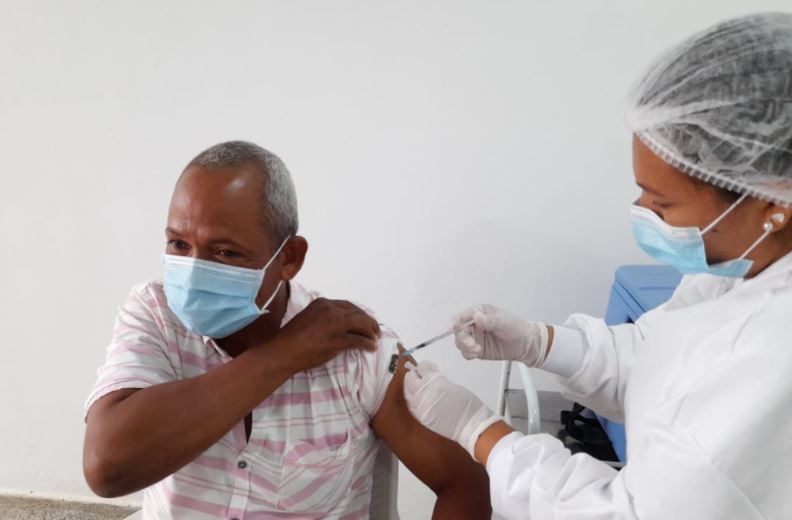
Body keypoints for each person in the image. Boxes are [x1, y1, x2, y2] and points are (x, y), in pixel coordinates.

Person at [403, 12, 792, 520]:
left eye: (662, 203)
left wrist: (479, 431)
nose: (641, 211)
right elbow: (662, 356)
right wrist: (541, 343)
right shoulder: (744, 262)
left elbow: (625, 513)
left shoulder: (769, 358)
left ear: (772, 204)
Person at [83, 141, 491, 519]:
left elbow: (466, 483)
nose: (192, 273)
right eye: (178, 244)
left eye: (225, 252)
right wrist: (283, 354)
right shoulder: (156, 313)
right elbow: (106, 468)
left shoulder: (353, 347)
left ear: (289, 258)